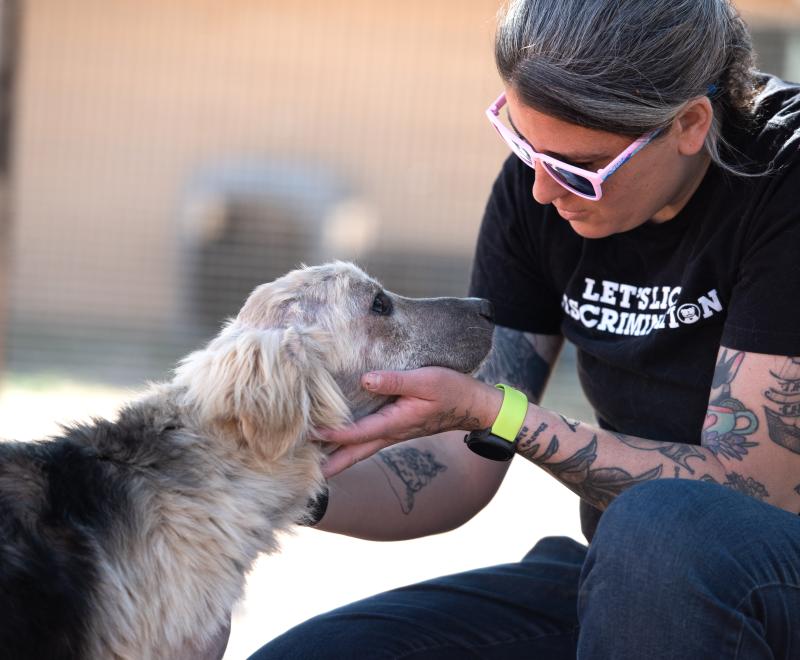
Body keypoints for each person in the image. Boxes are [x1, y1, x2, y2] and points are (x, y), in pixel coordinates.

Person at [249, 0, 800, 658]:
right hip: (631, 586)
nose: (541, 189)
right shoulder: (541, 187)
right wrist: (268, 483)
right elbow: (456, 465)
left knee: (664, 529)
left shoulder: (784, 179)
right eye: (522, 144)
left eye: (579, 168)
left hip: (747, 576)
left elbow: (755, 491)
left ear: (689, 123)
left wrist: (497, 412)